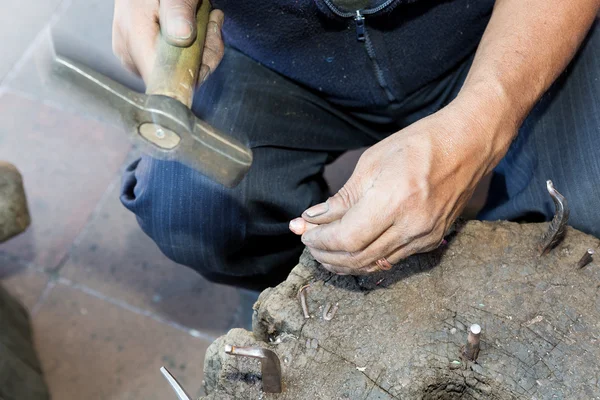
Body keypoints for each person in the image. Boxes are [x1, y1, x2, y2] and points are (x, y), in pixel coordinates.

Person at [113, 0, 600, 290]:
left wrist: (482, 125)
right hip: (281, 60)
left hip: (490, 32)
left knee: (586, 212)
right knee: (193, 211)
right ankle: (304, 295)